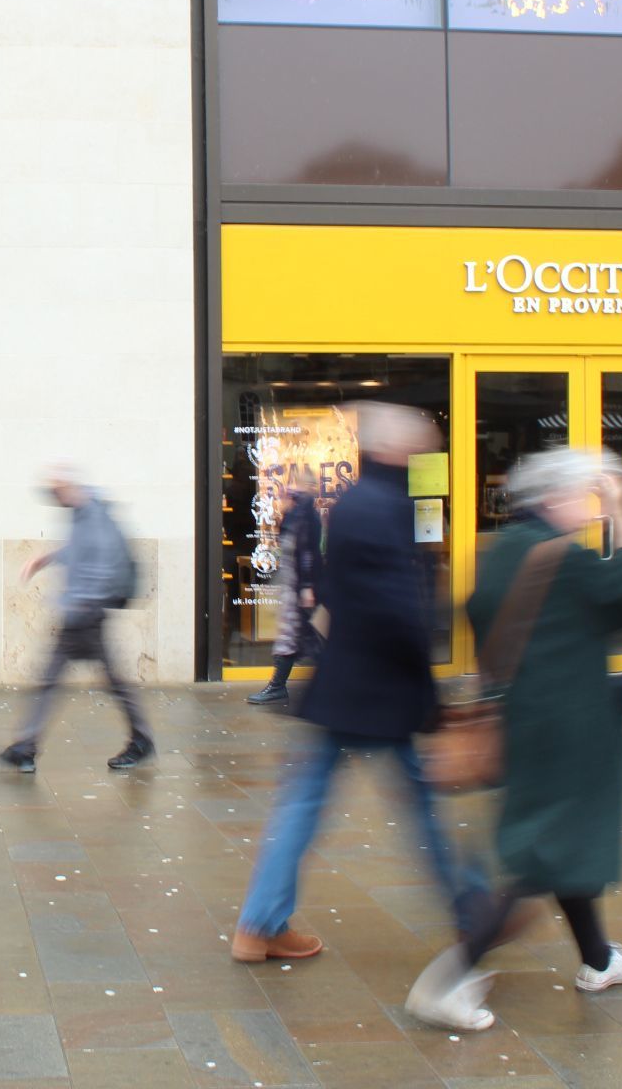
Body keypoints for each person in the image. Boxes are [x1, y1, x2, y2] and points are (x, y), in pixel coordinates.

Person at [406, 446, 622, 1033]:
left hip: (528, 726)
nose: (590, 502)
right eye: (584, 492)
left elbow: (478, 612)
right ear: (554, 498)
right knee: (538, 862)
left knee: (561, 847)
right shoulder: (566, 562)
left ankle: (600, 958)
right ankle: (449, 980)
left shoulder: (506, 552)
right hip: (570, 735)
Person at [232, 403, 476, 965]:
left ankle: (258, 925)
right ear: (399, 451)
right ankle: (471, 914)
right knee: (421, 809)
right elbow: (400, 610)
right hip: (383, 691)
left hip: (344, 686)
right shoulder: (387, 506)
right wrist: (430, 696)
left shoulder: (352, 503)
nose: (425, 455)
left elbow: (343, 591)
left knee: (304, 803)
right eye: (421, 446)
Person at [0, 468, 152, 773]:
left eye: (56, 495)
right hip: (84, 611)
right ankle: (26, 747)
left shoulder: (91, 515)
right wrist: (44, 559)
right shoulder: (84, 513)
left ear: (67, 491)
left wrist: (85, 602)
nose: (57, 502)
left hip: (86, 613)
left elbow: (101, 560)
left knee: (55, 679)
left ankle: (26, 747)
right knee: (93, 680)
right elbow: (79, 551)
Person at [247, 487, 323, 707]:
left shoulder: (306, 517)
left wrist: (307, 586)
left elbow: (308, 552)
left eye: (285, 496)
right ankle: (279, 686)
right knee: (298, 636)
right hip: (292, 585)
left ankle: (278, 687)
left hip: (299, 587)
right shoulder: (294, 516)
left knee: (298, 636)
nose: (280, 499)